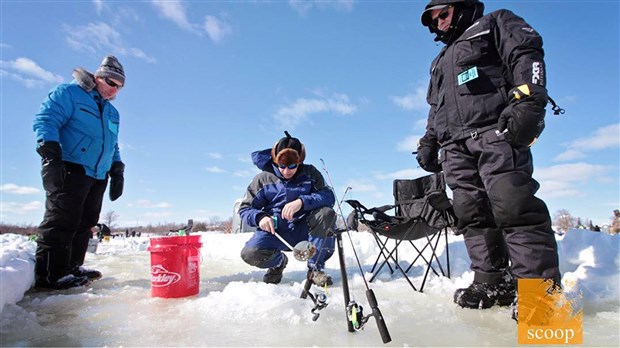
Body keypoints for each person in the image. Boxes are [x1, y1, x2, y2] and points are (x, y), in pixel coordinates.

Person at [418, 0, 561, 319]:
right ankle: (491, 280)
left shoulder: (495, 22)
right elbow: (435, 107)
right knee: (470, 212)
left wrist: (528, 100)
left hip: (494, 132)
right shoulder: (439, 60)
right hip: (454, 145)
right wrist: (429, 141)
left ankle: (541, 295)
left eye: (444, 13)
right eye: (433, 19)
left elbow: (526, 53)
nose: (439, 22)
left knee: (514, 206)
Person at [32, 55, 126, 290]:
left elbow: (112, 143)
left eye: (120, 87)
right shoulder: (69, 94)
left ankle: (72, 266)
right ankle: (51, 274)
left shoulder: (112, 113)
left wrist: (117, 168)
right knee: (62, 220)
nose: (115, 90)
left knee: (86, 222)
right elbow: (46, 119)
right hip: (71, 167)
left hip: (98, 174)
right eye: (112, 84)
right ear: (98, 78)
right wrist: (50, 155)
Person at [239, 131, 337, 286]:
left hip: (305, 230)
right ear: (275, 160)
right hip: (276, 232)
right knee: (250, 253)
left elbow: (328, 197)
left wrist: (302, 202)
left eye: (292, 166)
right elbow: (245, 208)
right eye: (282, 166)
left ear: (300, 161)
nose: (286, 171)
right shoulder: (262, 179)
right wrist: (260, 217)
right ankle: (278, 263)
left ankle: (315, 269)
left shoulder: (310, 173)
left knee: (327, 213)